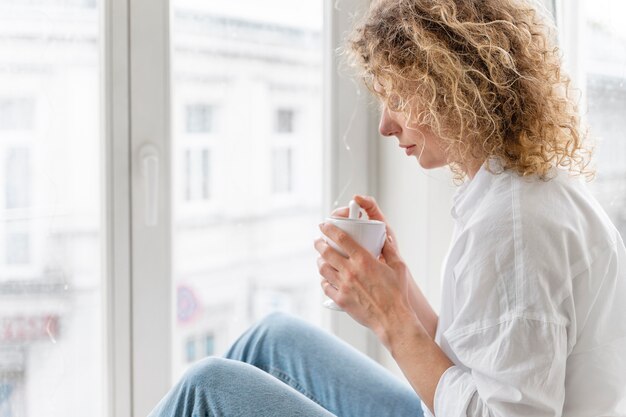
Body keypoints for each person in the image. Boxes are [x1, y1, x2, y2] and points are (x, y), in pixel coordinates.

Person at [149, 0, 626, 416]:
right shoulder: (520, 190)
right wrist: (401, 289)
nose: (385, 125)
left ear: (452, 86)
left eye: (397, 97)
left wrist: (390, 318)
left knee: (207, 386)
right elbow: (487, 363)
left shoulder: (514, 227)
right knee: (271, 338)